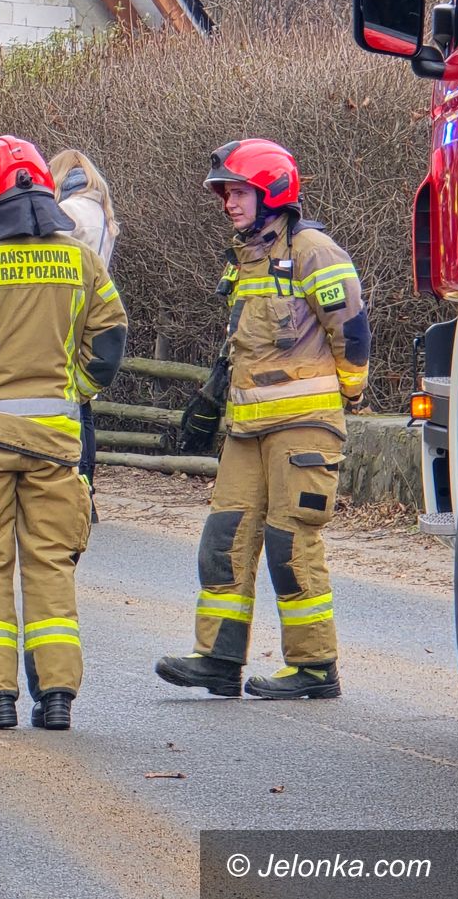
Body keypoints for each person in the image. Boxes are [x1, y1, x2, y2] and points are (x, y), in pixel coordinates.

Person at [0, 136, 128, 731]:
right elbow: (109, 341)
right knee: (50, 566)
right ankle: (56, 696)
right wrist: (77, 392)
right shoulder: (81, 260)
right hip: (57, 444)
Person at [155, 139, 370, 701]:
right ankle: (219, 659)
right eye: (225, 192)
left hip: (303, 426)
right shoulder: (248, 256)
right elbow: (243, 345)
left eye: (238, 190)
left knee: (289, 543)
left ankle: (315, 667)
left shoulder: (313, 249)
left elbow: (352, 328)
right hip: (248, 430)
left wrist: (345, 393)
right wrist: (212, 401)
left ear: (272, 189)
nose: (228, 201)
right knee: (223, 539)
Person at [49, 150, 120, 521]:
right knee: (84, 400)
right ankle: (86, 485)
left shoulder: (72, 212)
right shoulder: (103, 213)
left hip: (69, 311)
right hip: (92, 311)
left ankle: (76, 482)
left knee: (72, 404)